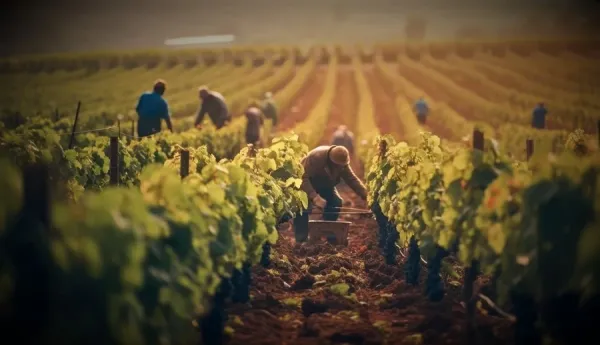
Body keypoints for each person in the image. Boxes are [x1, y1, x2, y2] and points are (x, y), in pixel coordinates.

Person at [293, 145, 367, 243]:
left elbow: (351, 179)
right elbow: (302, 177)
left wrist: (366, 195)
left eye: (342, 166)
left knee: (336, 202)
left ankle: (328, 233)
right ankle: (301, 239)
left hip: (325, 184)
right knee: (302, 208)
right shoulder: (316, 158)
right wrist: (314, 197)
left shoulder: (342, 163)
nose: (340, 168)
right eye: (338, 166)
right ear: (331, 161)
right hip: (306, 184)